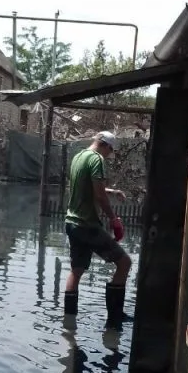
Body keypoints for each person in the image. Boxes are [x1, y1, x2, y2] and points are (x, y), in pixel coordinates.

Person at [63, 130, 132, 329]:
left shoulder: (78, 157)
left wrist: (112, 191)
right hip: (87, 225)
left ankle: (69, 323)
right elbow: (99, 196)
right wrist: (114, 219)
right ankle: (114, 320)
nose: (110, 154)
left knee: (76, 271)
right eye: (111, 150)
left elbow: (85, 187)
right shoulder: (96, 159)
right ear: (105, 145)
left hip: (72, 223)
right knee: (124, 263)